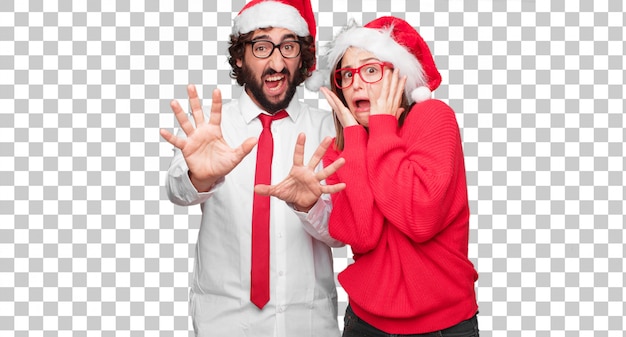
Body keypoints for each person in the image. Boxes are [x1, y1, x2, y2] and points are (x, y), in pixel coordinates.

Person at [159, 0, 345, 336]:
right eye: (262, 47)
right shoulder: (211, 127)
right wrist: (199, 176)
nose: (277, 62)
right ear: (240, 56)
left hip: (308, 323)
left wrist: (310, 206)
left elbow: (343, 235)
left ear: (301, 56)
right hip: (224, 322)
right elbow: (176, 191)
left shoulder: (329, 130)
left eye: (288, 46)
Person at [313, 16, 480, 336]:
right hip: (365, 324)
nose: (356, 83)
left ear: (399, 76)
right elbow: (364, 235)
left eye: (370, 69)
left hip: (443, 327)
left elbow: (420, 219)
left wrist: (382, 128)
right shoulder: (344, 145)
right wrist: (356, 137)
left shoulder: (433, 117)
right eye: (346, 74)